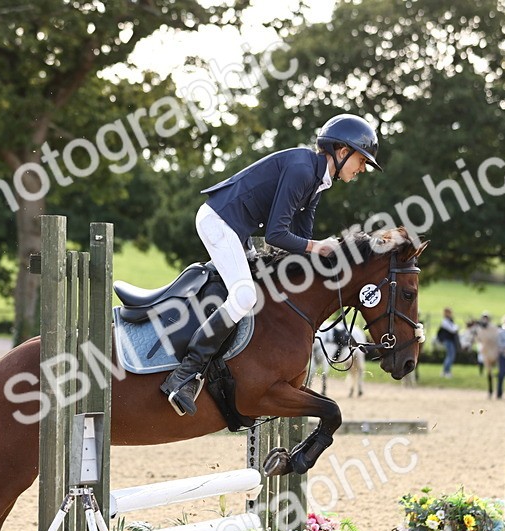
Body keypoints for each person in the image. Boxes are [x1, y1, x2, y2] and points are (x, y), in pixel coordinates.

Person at [159, 113, 382, 416]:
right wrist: (318, 246)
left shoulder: (318, 180)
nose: (362, 169)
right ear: (342, 152)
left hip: (238, 229)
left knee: (261, 290)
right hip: (219, 222)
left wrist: (329, 253)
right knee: (243, 295)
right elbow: (277, 235)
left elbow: (300, 239)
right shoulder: (303, 169)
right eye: (361, 160)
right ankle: (184, 376)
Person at [436, 307, 460, 377]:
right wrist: (457, 327)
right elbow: (452, 329)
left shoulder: (449, 320)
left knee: (450, 356)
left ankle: (445, 371)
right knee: (450, 356)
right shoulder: (445, 321)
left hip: (451, 341)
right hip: (448, 341)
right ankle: (446, 372)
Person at [496, 315, 505, 399]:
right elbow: (499, 342)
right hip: (503, 354)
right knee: (501, 374)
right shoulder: (501, 331)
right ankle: (499, 392)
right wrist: (504, 348)